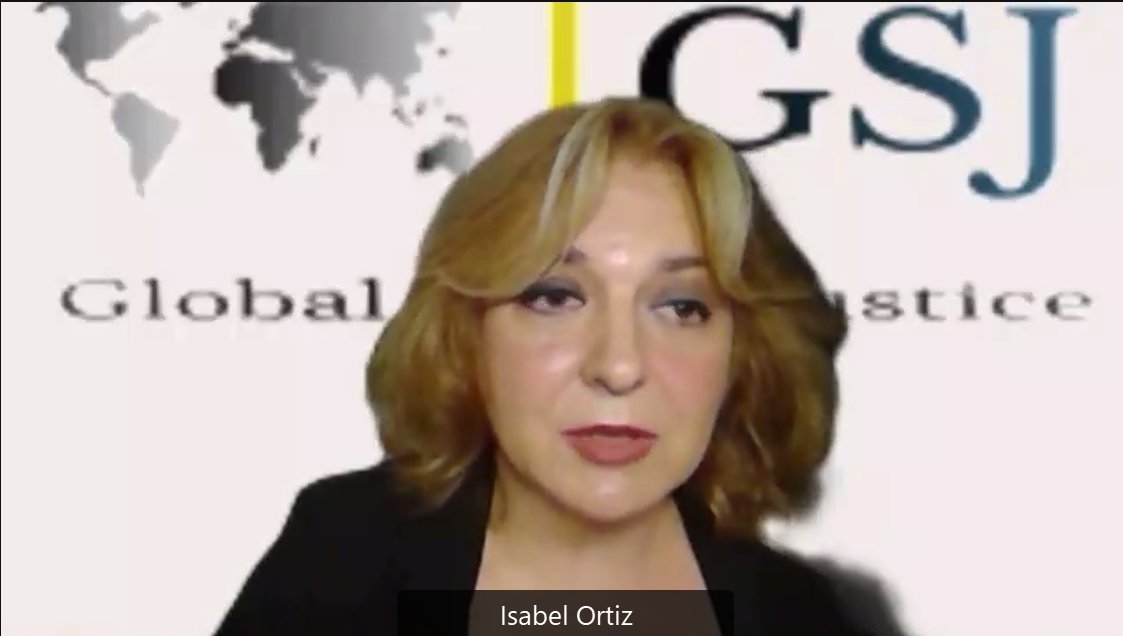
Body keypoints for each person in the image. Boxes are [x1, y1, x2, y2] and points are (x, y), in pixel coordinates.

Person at [213, 96, 869, 635]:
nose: (618, 366)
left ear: (742, 357)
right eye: (554, 297)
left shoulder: (796, 614)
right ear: (467, 334)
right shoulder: (343, 561)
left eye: (681, 307)